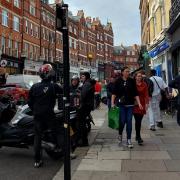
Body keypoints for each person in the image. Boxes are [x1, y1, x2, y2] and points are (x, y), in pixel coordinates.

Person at [28, 64, 63, 168]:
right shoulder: (54, 86)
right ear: (50, 74)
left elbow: (30, 101)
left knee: (37, 136)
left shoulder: (34, 86)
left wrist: (35, 110)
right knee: (58, 131)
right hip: (49, 114)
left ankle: (37, 161)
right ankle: (60, 149)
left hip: (37, 114)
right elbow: (64, 93)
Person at [111, 67, 143, 148]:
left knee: (129, 121)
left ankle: (129, 140)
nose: (128, 73)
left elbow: (135, 93)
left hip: (130, 105)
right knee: (122, 121)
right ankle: (120, 133)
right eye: (126, 71)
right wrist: (112, 103)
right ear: (122, 72)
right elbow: (114, 93)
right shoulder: (118, 81)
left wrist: (139, 103)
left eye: (129, 71)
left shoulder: (131, 81)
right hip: (121, 105)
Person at [77, 72, 95, 146]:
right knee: (82, 122)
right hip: (88, 105)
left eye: (83, 76)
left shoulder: (87, 84)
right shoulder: (88, 83)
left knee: (80, 123)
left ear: (86, 77)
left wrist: (79, 96)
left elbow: (83, 95)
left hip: (85, 105)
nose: (81, 77)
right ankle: (83, 140)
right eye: (81, 76)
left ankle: (83, 141)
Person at [133, 72, 149, 145]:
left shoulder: (144, 84)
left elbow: (146, 94)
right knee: (137, 120)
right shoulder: (133, 84)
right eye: (138, 76)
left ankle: (137, 135)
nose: (139, 77)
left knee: (139, 121)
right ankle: (138, 136)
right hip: (135, 104)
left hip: (142, 104)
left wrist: (147, 103)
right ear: (135, 77)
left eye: (140, 76)